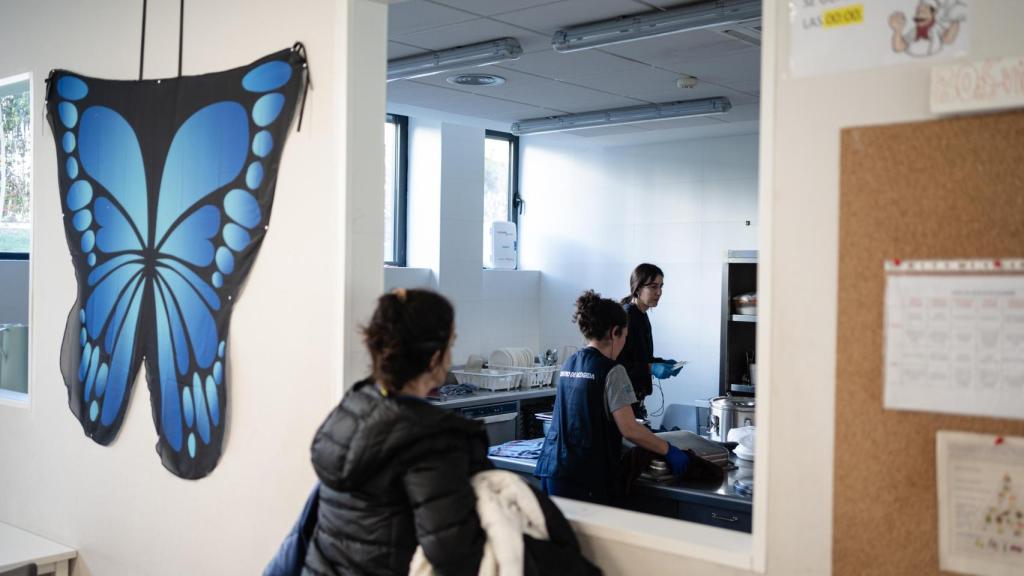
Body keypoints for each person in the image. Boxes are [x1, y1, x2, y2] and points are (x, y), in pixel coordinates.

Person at [304, 289, 488, 576]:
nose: (452, 358)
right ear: (433, 358)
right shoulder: (430, 440)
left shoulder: (352, 407)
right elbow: (454, 555)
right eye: (451, 345)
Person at [534, 290, 689, 505]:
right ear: (615, 332)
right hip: (585, 477)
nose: (625, 341)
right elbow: (629, 428)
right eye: (625, 335)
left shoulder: (570, 363)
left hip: (553, 469)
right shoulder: (612, 370)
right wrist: (668, 450)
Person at [617, 263, 682, 418]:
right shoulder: (628, 316)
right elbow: (617, 366)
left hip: (637, 400)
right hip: (622, 403)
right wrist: (650, 368)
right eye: (653, 287)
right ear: (638, 288)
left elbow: (638, 357)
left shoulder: (642, 315)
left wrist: (662, 362)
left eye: (661, 287)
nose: (659, 292)